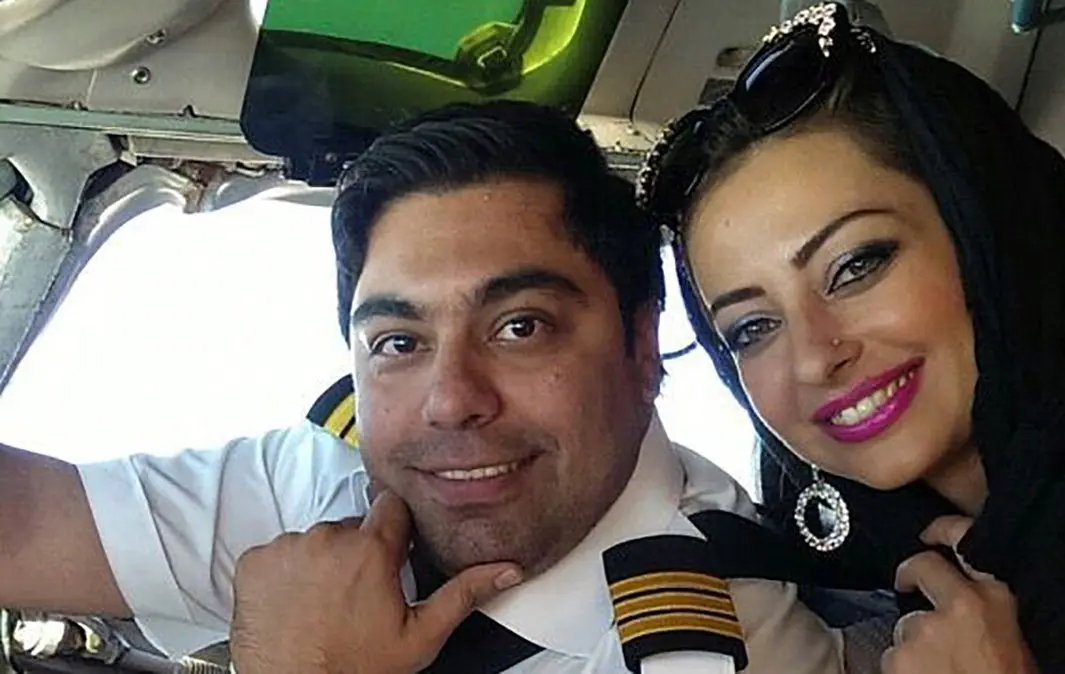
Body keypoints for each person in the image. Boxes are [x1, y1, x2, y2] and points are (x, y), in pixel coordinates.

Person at [0, 101, 848, 673]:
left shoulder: (718, 647)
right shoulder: (334, 488)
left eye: (520, 327)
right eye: (400, 342)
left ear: (641, 342)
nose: (449, 400)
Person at [637, 3, 1065, 673]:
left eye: (856, 265)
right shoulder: (831, 582)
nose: (814, 357)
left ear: (989, 230)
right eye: (753, 328)